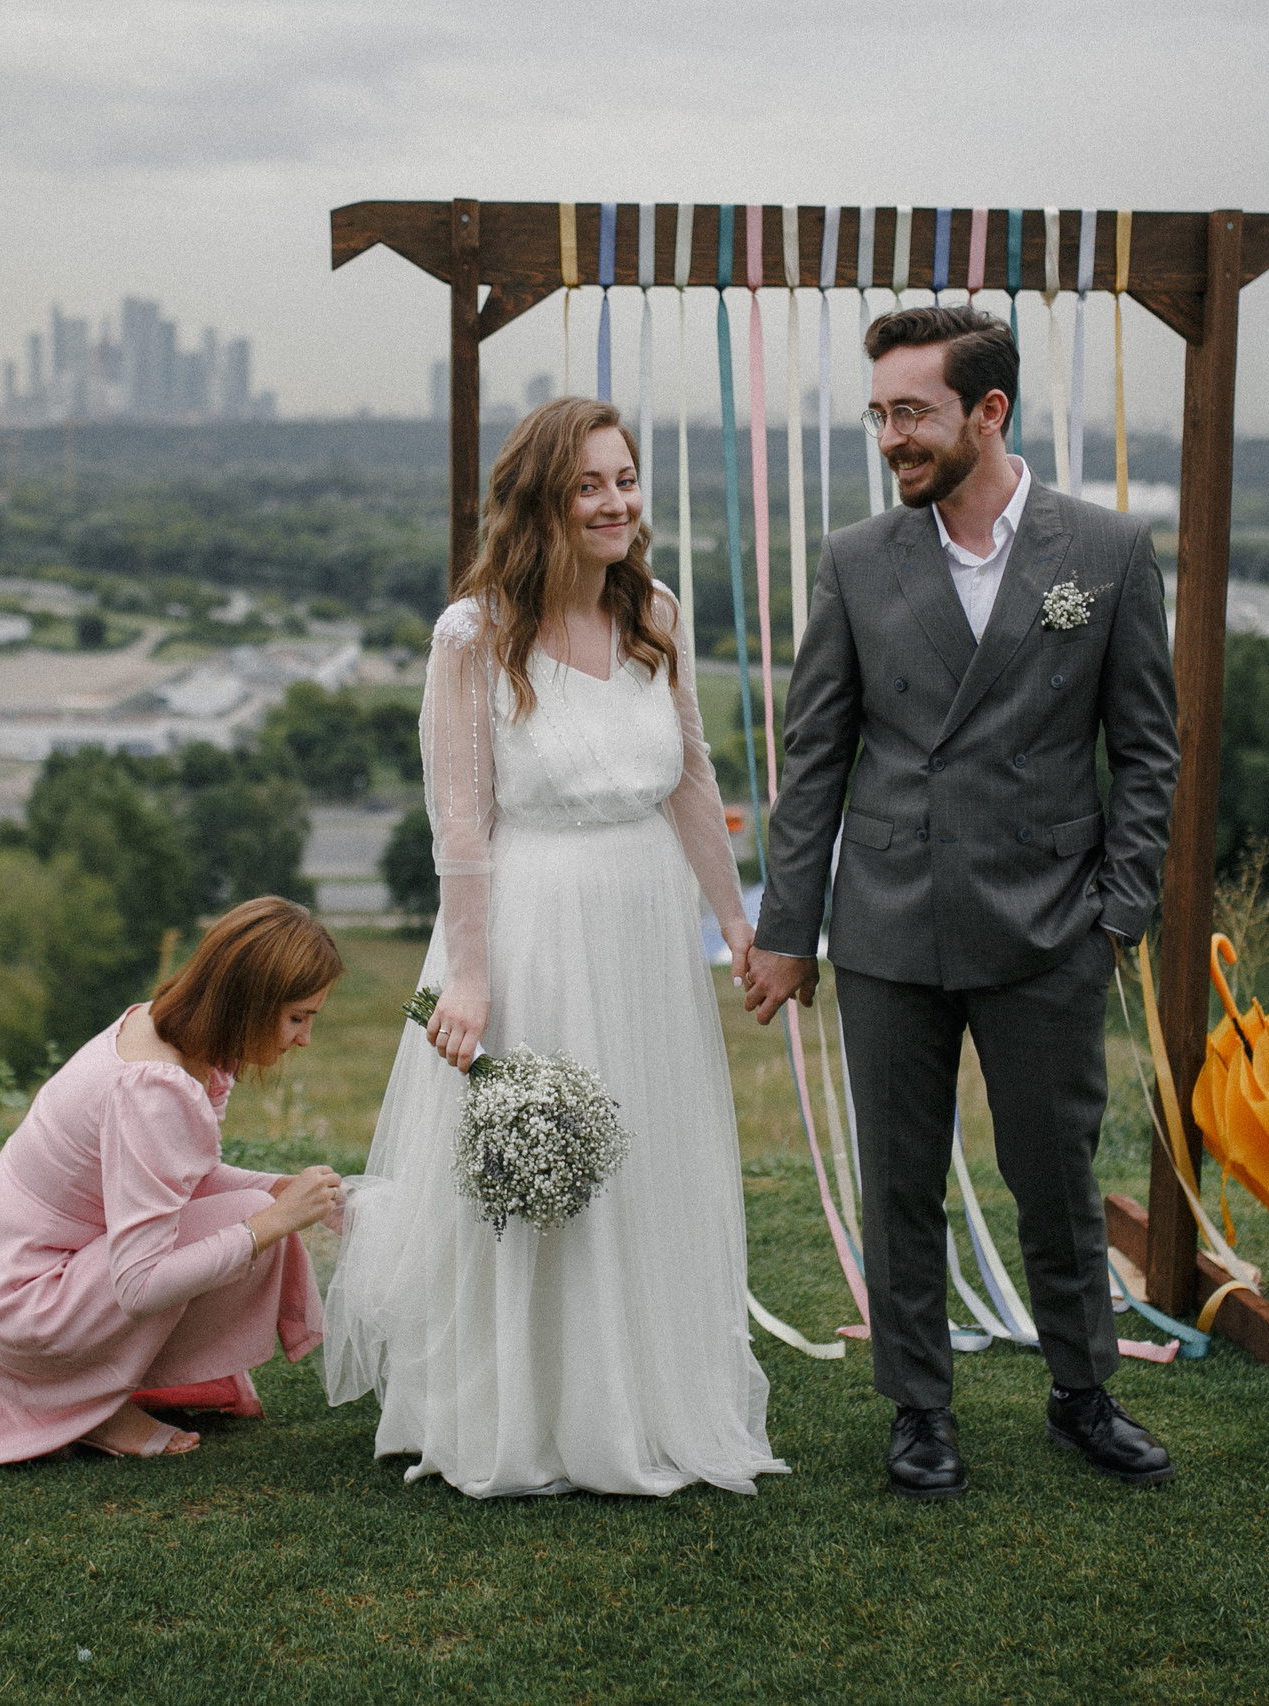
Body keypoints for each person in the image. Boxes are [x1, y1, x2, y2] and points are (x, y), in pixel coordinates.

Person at [740, 305, 1182, 1501]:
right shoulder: (855, 560)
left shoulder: (1104, 553)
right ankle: (918, 1408)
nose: (891, 436)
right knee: (898, 1181)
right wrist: (788, 930)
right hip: (887, 919)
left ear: (988, 411)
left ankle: (1084, 1391)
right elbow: (815, 758)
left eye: (913, 412)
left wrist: (1119, 911)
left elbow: (1147, 752)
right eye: (879, 413)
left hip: (1051, 924)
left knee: (1056, 1172)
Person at [322, 397, 788, 1499]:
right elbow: (461, 821)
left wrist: (736, 923)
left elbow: (691, 779)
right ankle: (519, 1411)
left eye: (625, 478)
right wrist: (471, 976)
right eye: (589, 483)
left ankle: (634, 1396)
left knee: (641, 1157)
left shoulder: (656, 612)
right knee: (536, 1163)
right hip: (530, 924)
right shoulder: (472, 635)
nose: (616, 501)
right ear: (541, 498)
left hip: (643, 925)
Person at [0, 898, 346, 1470]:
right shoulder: (153, 1088)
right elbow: (139, 1285)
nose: (304, 1039)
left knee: (247, 1209)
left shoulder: (159, 1026)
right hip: (21, 1304)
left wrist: (279, 1188)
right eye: (297, 1017)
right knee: (244, 1221)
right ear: (249, 1004)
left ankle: (96, 1390)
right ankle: (91, 1407)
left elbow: (172, 1181)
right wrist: (272, 1219)